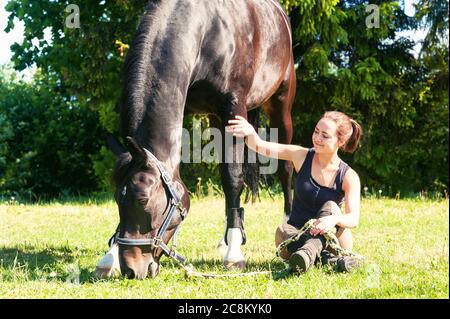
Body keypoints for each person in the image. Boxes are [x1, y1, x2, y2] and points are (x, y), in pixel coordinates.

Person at [225, 111, 363, 273]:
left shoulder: (348, 176)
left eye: (325, 136)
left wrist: (333, 220)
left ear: (341, 141)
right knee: (282, 231)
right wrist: (250, 132)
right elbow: (261, 147)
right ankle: (329, 261)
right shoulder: (302, 156)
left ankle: (309, 254)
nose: (317, 138)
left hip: (332, 238)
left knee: (331, 206)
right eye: (316, 131)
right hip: (297, 234)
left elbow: (353, 219)